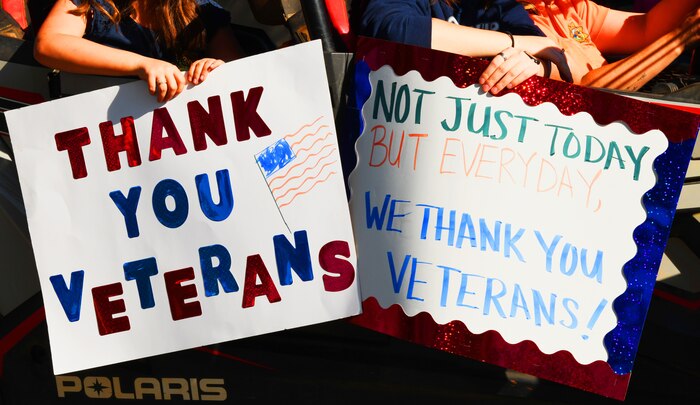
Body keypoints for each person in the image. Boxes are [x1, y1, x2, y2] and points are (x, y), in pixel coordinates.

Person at [33, 0, 245, 102]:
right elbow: (49, 44)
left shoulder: (203, 10)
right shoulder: (93, 3)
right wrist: (142, 65)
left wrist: (214, 67)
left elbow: (241, 73)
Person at [356, 0, 573, 95]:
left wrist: (533, 64)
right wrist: (514, 43)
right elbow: (395, 31)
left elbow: (552, 57)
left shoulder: (498, 4)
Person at [519, 0, 700, 91]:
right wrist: (679, 40)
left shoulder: (564, 6)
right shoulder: (511, 21)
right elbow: (587, 91)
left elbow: (646, 28)